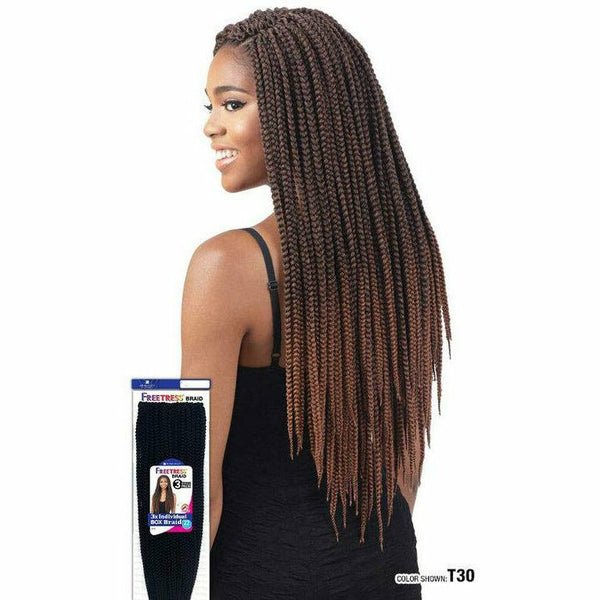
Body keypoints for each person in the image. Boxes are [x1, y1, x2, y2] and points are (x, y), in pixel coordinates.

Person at [181, 8, 452, 598]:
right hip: (387, 571)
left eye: (232, 104)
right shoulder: (406, 258)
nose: (211, 127)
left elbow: (191, 488)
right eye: (210, 107)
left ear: (296, 113)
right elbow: (405, 467)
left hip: (261, 577)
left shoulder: (226, 266)